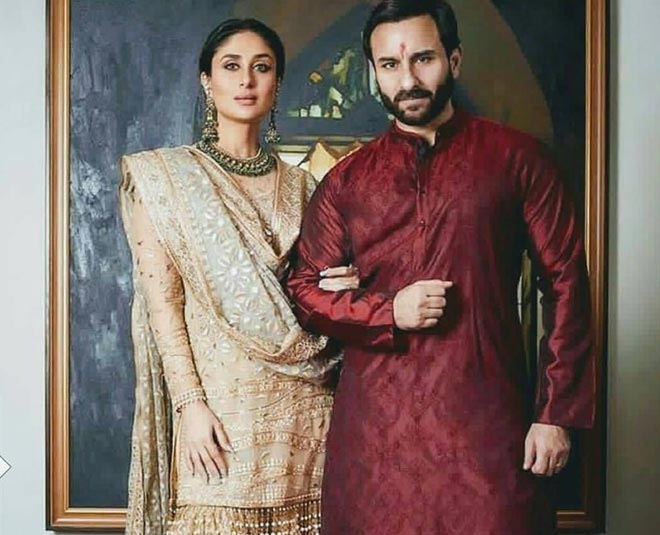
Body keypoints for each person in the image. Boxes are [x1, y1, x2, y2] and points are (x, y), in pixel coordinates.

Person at [286, 1, 595, 534]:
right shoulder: (347, 182)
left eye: (423, 59)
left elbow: (566, 282)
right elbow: (303, 290)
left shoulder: (517, 160)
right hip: (375, 442)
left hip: (488, 427)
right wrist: (388, 311)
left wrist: (555, 413)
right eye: (390, 65)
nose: (408, 80)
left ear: (454, 59)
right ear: (373, 72)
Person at [119, 18, 357, 535]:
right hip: (220, 415)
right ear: (207, 81)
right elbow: (165, 307)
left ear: (277, 83)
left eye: (261, 67)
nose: (246, 80)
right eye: (231, 67)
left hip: (309, 411)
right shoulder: (167, 181)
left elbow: (317, 293)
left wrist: (344, 286)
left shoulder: (307, 189)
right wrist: (190, 406)